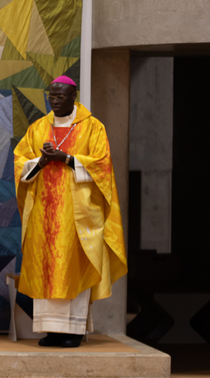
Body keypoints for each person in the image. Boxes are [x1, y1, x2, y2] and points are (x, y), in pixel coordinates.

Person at [14, 76, 127, 348]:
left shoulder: (93, 127)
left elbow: (102, 166)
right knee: (46, 268)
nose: (55, 101)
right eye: (51, 96)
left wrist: (66, 159)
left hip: (78, 215)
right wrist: (42, 161)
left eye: (60, 96)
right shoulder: (38, 128)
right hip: (43, 214)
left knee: (73, 266)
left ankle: (73, 332)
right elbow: (20, 164)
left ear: (73, 96)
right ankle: (51, 331)